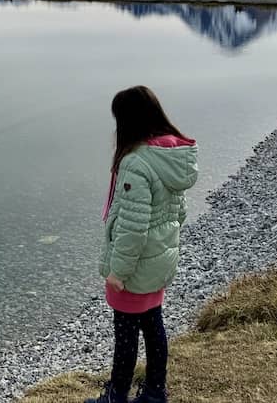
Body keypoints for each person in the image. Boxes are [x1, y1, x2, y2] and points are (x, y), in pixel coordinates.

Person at [88, 86, 198, 403]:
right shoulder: (170, 155)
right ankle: (155, 391)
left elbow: (132, 228)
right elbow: (179, 213)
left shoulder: (136, 163)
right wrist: (164, 247)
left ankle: (117, 396)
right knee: (153, 326)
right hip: (159, 259)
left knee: (125, 337)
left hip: (134, 268)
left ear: (129, 121)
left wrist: (118, 272)